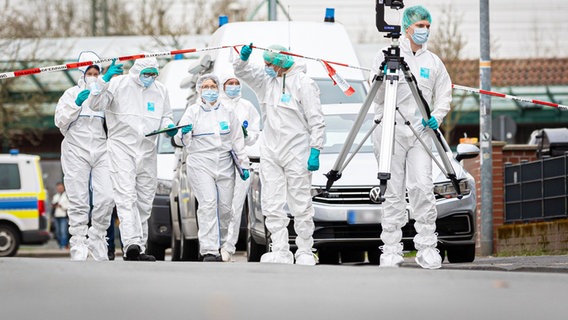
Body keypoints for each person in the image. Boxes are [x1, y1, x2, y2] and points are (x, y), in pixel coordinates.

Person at [369, 5, 452, 269]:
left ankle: (427, 247)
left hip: (420, 132)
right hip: (390, 131)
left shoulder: (433, 62)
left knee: (422, 189)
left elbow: (445, 94)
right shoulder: (384, 56)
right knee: (392, 192)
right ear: (407, 27)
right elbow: (377, 98)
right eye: (420, 26)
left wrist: (436, 117)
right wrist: (383, 76)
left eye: (427, 26)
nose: (424, 31)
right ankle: (391, 249)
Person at [233, 44, 325, 265]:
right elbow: (242, 72)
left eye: (269, 64)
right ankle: (280, 249)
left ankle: (304, 249)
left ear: (282, 62)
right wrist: (242, 59)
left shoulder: (304, 83)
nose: (266, 68)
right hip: (271, 150)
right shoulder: (267, 82)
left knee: (300, 202)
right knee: (272, 202)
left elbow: (316, 120)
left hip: (297, 149)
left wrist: (315, 149)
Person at [90, 57, 176, 262]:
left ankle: (140, 245)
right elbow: (94, 104)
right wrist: (104, 80)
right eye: (147, 74)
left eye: (154, 74)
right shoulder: (118, 84)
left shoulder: (160, 90)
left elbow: (166, 115)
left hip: (147, 150)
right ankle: (131, 245)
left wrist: (169, 126)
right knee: (126, 196)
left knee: (145, 201)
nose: (150, 78)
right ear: (137, 71)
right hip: (122, 148)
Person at [174, 74, 249, 262]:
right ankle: (209, 250)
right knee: (208, 204)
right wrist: (183, 133)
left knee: (225, 208)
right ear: (200, 90)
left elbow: (237, 140)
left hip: (224, 163)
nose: (210, 90)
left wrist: (243, 163)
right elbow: (180, 140)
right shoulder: (192, 112)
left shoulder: (228, 111)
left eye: (213, 86)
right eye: (205, 86)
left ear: (218, 89)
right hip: (200, 162)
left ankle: (223, 245)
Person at [54, 51, 115, 261]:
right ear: (82, 74)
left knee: (107, 197)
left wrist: (104, 84)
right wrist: (75, 105)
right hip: (75, 149)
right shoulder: (70, 94)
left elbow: (103, 106)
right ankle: (78, 241)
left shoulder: (104, 94)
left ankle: (97, 236)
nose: (93, 75)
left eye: (96, 72)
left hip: (101, 149)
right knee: (79, 199)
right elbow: (60, 121)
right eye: (89, 72)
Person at [218, 73, 260, 262]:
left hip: (241, 159)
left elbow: (253, 134)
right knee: (220, 205)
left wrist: (245, 135)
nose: (234, 86)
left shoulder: (248, 107)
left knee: (236, 206)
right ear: (223, 86)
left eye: (236, 83)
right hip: (220, 160)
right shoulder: (216, 106)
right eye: (230, 83)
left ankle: (228, 247)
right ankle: (214, 244)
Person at [51, 182, 69, 249]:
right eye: (58, 188)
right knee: (57, 232)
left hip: (63, 216)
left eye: (61, 188)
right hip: (56, 216)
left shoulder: (66, 196)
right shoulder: (55, 196)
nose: (59, 189)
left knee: (63, 232)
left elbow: (69, 206)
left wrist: (61, 206)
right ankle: (61, 244)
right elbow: (52, 205)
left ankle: (63, 246)